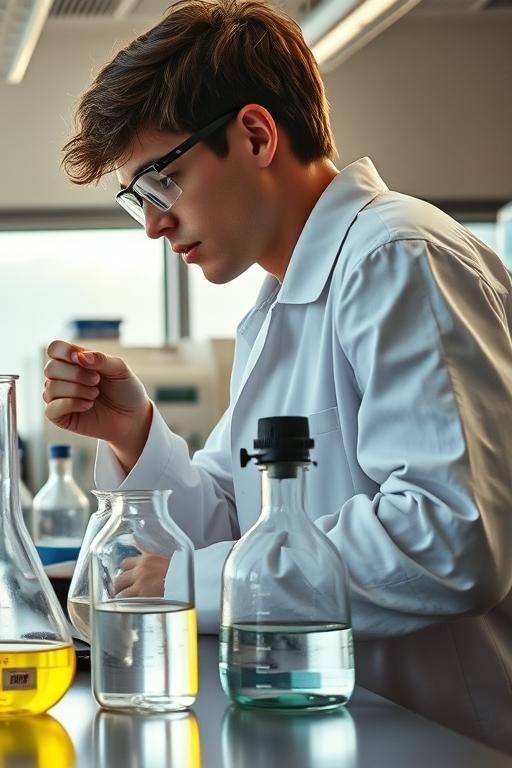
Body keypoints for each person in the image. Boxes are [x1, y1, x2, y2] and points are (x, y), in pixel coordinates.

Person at [47, 0, 511, 750]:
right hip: (337, 731)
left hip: (443, 738)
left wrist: (189, 583)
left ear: (257, 135)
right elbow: (240, 521)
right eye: (137, 202)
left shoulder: (396, 258)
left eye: (161, 182)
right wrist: (134, 433)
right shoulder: (279, 304)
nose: (154, 225)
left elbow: (448, 538)